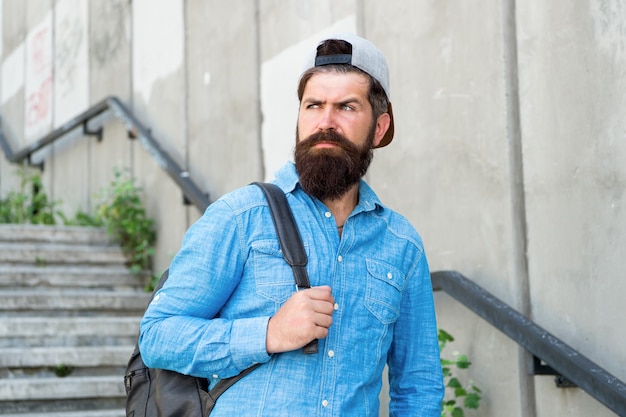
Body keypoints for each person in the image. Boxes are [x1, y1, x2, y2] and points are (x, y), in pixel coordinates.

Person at [139, 32, 444, 416]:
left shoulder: (401, 244)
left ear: (379, 128)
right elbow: (158, 335)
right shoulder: (241, 216)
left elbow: (419, 386)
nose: (325, 122)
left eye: (347, 107)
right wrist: (268, 333)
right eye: (313, 105)